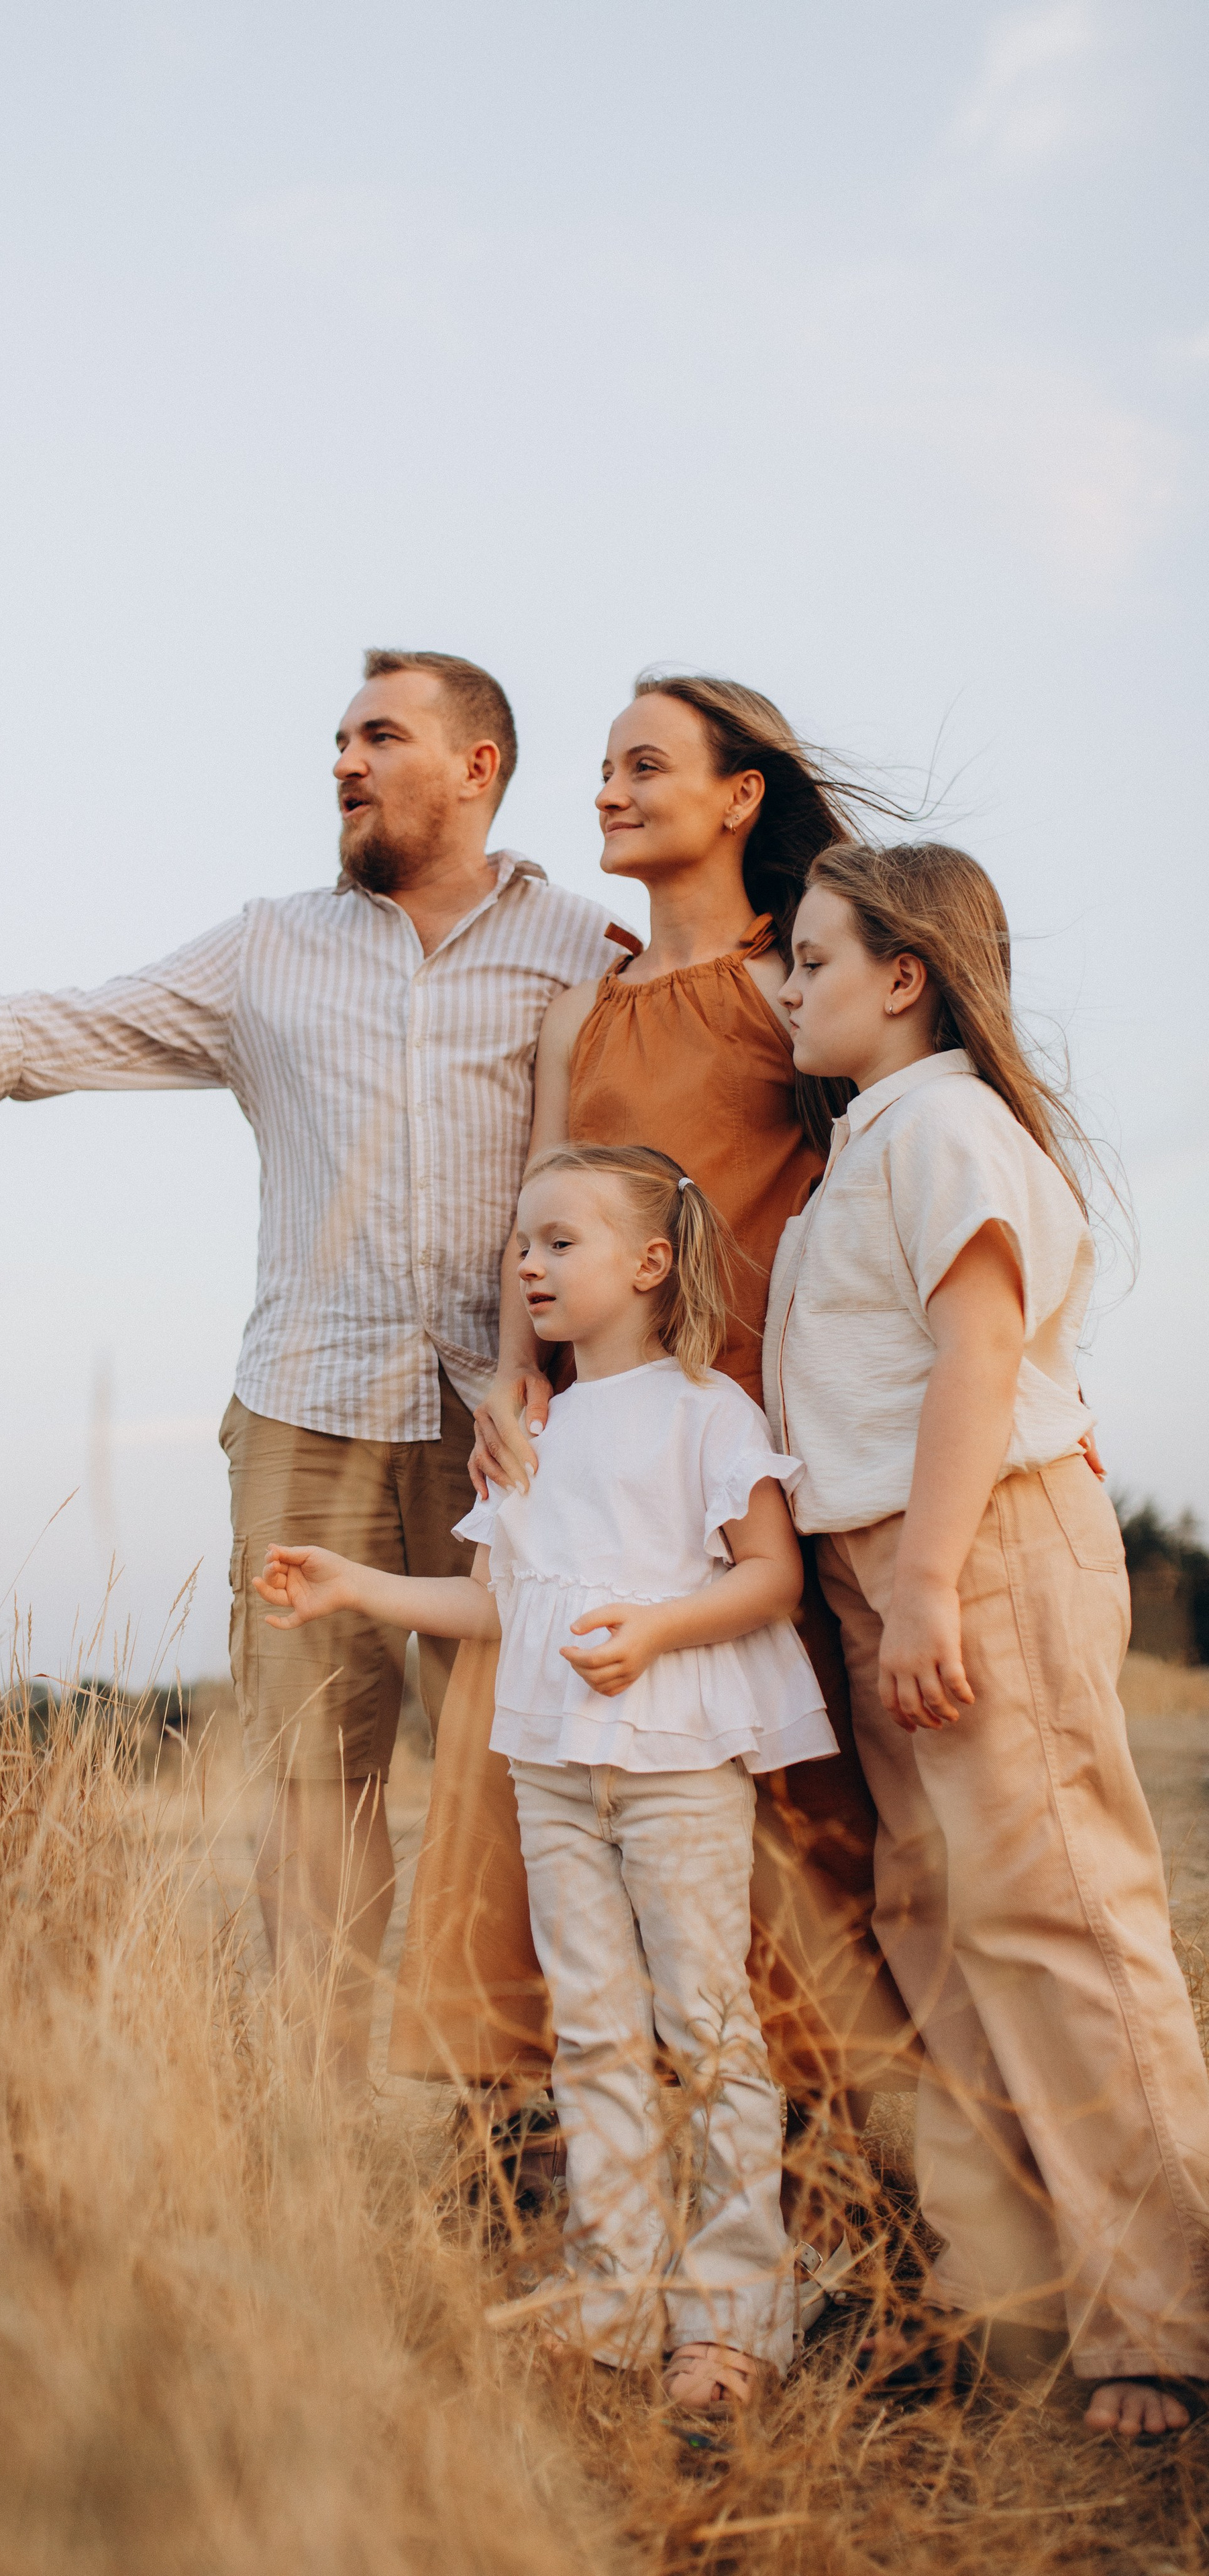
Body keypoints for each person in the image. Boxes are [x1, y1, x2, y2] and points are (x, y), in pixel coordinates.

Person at [0, 649, 618, 2084]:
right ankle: (315, 2127)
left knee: (519, 1775)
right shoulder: (267, 948)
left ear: (477, 765)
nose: (343, 763)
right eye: (336, 740)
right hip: (310, 1409)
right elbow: (72, 1028)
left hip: (522, 1421)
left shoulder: (580, 948)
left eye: (378, 736)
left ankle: (515, 2131)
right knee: (318, 1782)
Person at [391, 678, 911, 2200]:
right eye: (603, 768)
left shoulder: (789, 987)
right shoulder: (583, 1009)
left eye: (642, 766)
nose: (606, 790)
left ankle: (815, 2178)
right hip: (585, 1438)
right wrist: (508, 1378)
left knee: (770, 1786)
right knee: (538, 1760)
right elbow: (536, 1209)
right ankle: (551, 2159)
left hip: (741, 1442)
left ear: (738, 797)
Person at [257, 1144, 839, 2407]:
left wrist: (653, 1629)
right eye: (522, 1242)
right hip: (553, 1770)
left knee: (709, 2025)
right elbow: (491, 1608)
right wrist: (353, 1583)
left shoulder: (705, 1410)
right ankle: (615, 2297)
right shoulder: (531, 1433)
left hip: (678, 1763)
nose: (527, 1260)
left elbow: (769, 1576)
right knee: (592, 2029)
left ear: (648, 1265)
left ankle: (733, 2312)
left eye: (559, 1241)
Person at [769, 839, 1209, 2438]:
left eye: (811, 960)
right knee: (933, 1917)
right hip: (882, 1559)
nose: (784, 986)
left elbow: (975, 1351)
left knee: (1057, 1919)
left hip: (978, 1542)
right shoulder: (871, 1142)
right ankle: (1017, 2307)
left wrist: (936, 1581)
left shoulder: (945, 1121)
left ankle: (1163, 2317)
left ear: (903, 978)